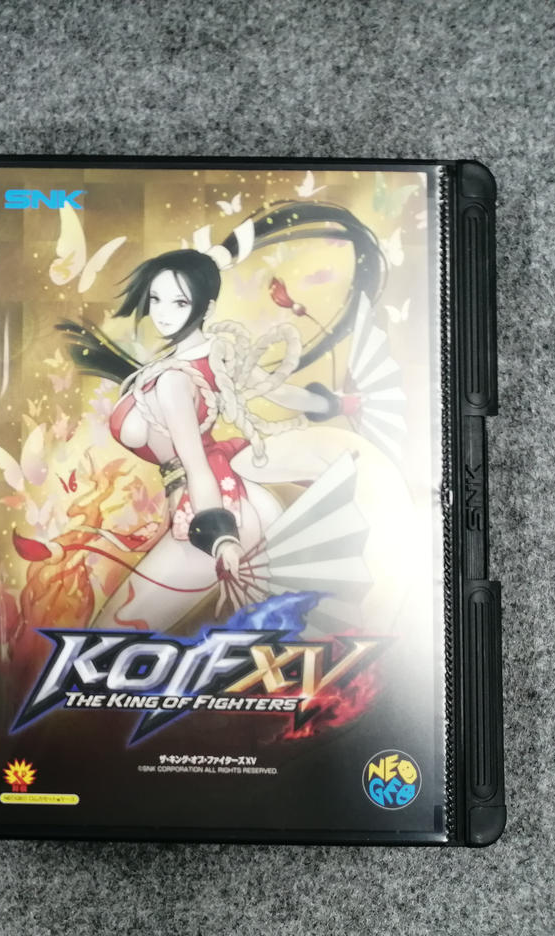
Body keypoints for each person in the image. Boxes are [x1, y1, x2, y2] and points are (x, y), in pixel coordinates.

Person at [58, 201, 383, 631]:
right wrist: (335, 405)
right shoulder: (200, 359)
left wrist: (219, 536)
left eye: (178, 302)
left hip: (213, 509)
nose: (162, 312)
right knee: (114, 638)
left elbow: (195, 464)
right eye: (156, 299)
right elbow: (275, 389)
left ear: (206, 310)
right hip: (226, 497)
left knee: (110, 637)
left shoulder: (176, 380)